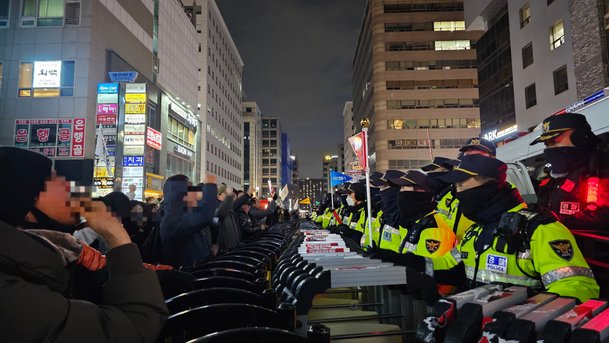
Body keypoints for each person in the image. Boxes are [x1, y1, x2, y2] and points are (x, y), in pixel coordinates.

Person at [0, 147, 168, 342]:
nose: (69, 188)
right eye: (54, 181)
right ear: (23, 204)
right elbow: (136, 328)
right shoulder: (12, 295)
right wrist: (117, 236)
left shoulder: (57, 250)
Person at [414, 154, 599, 302]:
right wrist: (408, 266)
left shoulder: (539, 229)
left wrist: (526, 314)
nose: (457, 193)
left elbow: (579, 285)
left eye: (461, 185)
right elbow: (448, 265)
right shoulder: (475, 231)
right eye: (455, 187)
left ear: (490, 185)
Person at [530, 112, 609, 231]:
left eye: (554, 142)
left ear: (580, 138)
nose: (549, 150)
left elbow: (602, 218)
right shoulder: (551, 178)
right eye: (547, 144)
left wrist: (554, 220)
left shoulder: (601, 171)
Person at [159, 174, 217, 267]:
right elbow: (205, 215)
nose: (194, 194)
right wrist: (210, 185)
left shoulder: (185, 214)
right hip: (185, 277)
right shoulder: (172, 219)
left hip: (198, 272)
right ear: (179, 195)